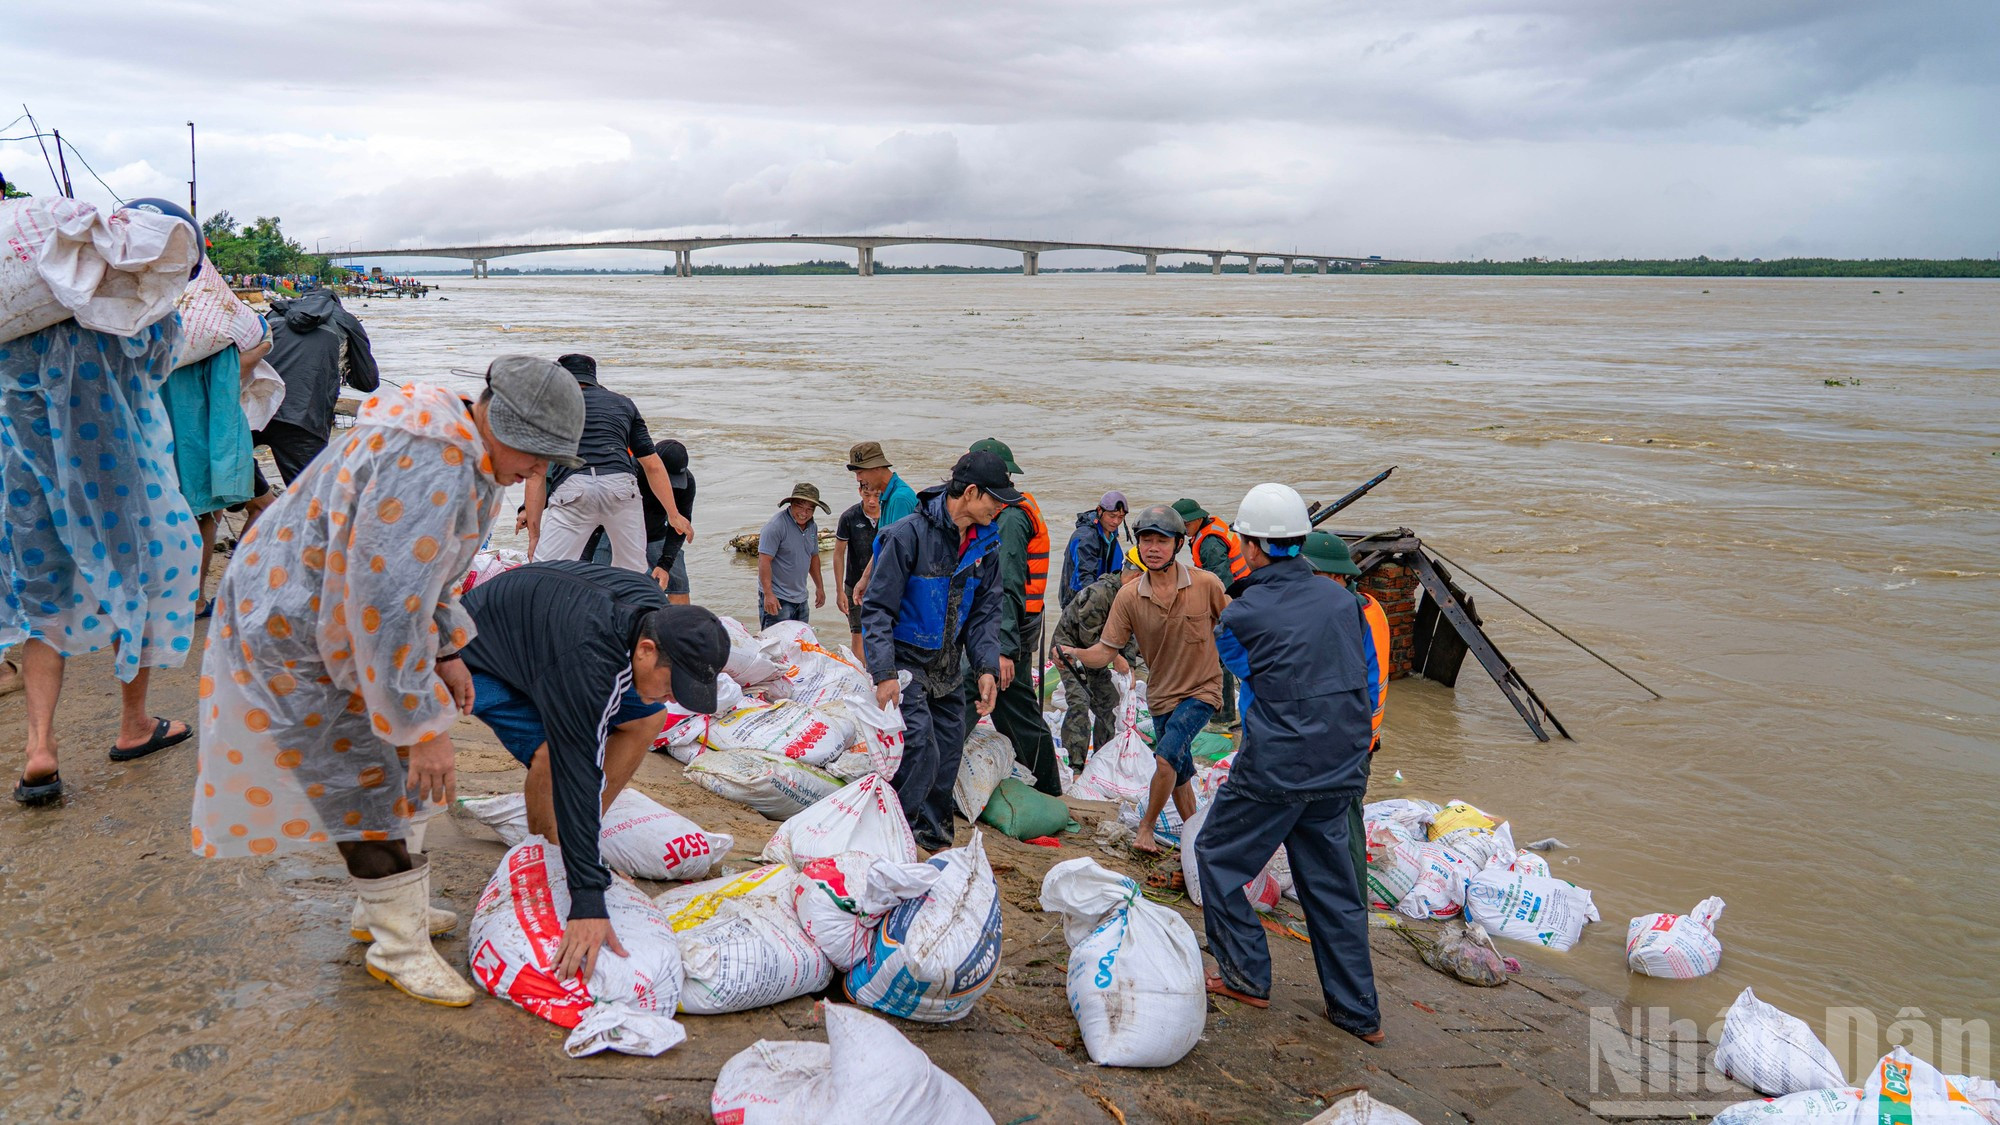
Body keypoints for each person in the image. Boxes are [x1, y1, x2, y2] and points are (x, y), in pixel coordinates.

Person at [192, 356, 586, 1007]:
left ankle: (384, 908)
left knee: (385, 773)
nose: (537, 474)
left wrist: (450, 648)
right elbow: (387, 602)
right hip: (297, 623)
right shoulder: (433, 460)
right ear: (499, 421)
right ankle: (396, 946)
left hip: (332, 606)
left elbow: (423, 574)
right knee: (363, 773)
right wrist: (424, 725)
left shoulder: (465, 441)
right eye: (537, 457)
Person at [5, 224, 206, 806]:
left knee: (44, 606)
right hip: (118, 477)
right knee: (135, 586)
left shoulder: (21, 313)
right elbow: (161, 367)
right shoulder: (142, 310)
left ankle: (40, 747)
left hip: (27, 484)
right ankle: (134, 724)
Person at [459, 561, 729, 984]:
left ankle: (573, 838)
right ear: (646, 650)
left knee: (647, 719)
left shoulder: (653, 616)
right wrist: (587, 897)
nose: (674, 696)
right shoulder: (588, 661)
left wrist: (583, 839)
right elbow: (578, 770)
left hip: (546, 641)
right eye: (673, 684)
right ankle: (550, 858)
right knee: (553, 757)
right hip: (484, 654)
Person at [1198, 484, 1383, 1045]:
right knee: (1334, 891)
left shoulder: (1243, 614)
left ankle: (1247, 976)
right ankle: (1359, 1015)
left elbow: (1247, 675)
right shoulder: (1349, 603)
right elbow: (1369, 683)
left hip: (1275, 769)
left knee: (1218, 858)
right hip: (1342, 768)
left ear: (1251, 546)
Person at [858, 451, 1011, 852]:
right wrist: (884, 673)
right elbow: (877, 609)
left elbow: (985, 614)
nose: (1000, 508)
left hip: (947, 666)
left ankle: (934, 836)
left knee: (946, 753)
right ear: (972, 492)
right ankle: (895, 834)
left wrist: (985, 668)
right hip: (905, 663)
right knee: (919, 745)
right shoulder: (908, 535)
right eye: (995, 499)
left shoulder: (986, 546)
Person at [1054, 504, 1228, 855]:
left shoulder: (1206, 584)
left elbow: (1237, 630)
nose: (1152, 547)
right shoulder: (1128, 596)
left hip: (1202, 690)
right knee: (1180, 771)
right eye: (1146, 539)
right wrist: (1072, 653)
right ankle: (1194, 841)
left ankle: (1146, 829)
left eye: (1161, 540)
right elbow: (1105, 652)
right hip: (1162, 696)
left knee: (1164, 758)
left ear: (1178, 544)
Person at [961, 438, 1061, 796]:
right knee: (1015, 708)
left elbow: (1008, 584)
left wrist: (1000, 649)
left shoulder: (1012, 520)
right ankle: (1048, 786)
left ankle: (930, 769)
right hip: (1010, 628)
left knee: (967, 694)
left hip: (1006, 630)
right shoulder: (1010, 512)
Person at [526, 354, 687, 571]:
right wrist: (674, 515)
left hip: (573, 488)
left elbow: (537, 473)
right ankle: (636, 602)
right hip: (620, 486)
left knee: (547, 572)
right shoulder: (623, 403)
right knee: (632, 573)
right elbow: (652, 464)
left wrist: (534, 535)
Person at [1303, 529, 1391, 887]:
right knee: (1337, 822)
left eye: (1314, 576)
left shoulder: (1348, 617)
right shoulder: (1368, 606)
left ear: (1339, 578)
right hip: (1359, 737)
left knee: (1343, 825)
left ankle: (1349, 903)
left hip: (1348, 741)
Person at [256, 288, 379, 484]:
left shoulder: (275, 312)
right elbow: (368, 382)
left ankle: (259, 504)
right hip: (304, 418)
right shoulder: (346, 320)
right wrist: (345, 371)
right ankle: (266, 506)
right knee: (310, 498)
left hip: (253, 410)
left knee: (227, 466)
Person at [1049, 548, 1141, 768]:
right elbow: (1087, 637)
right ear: (1138, 576)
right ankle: (1076, 766)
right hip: (1070, 651)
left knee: (1109, 703)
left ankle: (1102, 760)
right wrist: (1116, 658)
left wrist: (1129, 667)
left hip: (1099, 654)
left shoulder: (1132, 598)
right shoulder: (1100, 594)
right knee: (1080, 702)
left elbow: (1129, 635)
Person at [582, 437, 696, 601]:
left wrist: (664, 565)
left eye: (674, 482)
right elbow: (597, 517)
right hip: (612, 531)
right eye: (667, 479)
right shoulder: (627, 472)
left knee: (678, 584)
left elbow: (679, 528)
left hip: (656, 533)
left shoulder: (687, 483)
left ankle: (681, 625)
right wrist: (583, 561)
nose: (670, 487)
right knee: (600, 583)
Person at [1175, 497, 1251, 731]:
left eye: (1185, 525)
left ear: (1198, 520)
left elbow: (1220, 582)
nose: (1183, 530)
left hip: (1235, 597)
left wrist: (1215, 613)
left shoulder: (1209, 543)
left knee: (1221, 656)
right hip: (1243, 592)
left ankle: (1223, 715)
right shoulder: (1209, 530)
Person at [758, 483, 828, 628]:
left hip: (801, 598)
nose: (804, 513)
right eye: (800, 507)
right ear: (791, 504)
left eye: (810, 509)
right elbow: (764, 560)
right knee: (775, 646)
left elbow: (813, 557)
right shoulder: (775, 526)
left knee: (799, 645)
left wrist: (820, 587)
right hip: (778, 599)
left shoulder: (812, 527)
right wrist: (768, 594)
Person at [834, 485, 881, 656]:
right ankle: (863, 677)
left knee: (885, 633)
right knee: (858, 634)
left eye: (877, 495)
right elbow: (838, 554)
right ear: (859, 491)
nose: (871, 501)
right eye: (867, 494)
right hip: (854, 585)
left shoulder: (890, 516)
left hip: (884, 584)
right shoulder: (849, 517)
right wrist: (839, 591)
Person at [1059, 491, 1126, 608]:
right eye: (1112, 516)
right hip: (1079, 603)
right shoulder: (1085, 537)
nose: (1116, 522)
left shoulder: (1111, 535)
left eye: (1121, 517)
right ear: (1100, 511)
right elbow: (1085, 576)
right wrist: (1096, 604)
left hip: (1101, 598)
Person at [846, 440, 918, 533]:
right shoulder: (886, 496)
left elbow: (901, 545)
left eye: (860, 473)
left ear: (877, 468)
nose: (858, 479)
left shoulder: (900, 499)